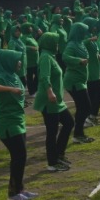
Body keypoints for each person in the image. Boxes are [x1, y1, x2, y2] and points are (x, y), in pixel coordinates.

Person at [0, 49, 36, 200]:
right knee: (19, 155)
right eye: (17, 60)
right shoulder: (0, 76)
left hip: (18, 120)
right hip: (7, 122)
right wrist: (10, 89)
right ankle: (13, 193)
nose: (20, 62)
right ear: (9, 61)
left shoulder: (14, 75)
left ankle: (20, 189)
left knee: (21, 156)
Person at [34, 30, 73, 172]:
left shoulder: (50, 55)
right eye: (56, 43)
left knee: (69, 122)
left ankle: (59, 153)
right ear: (49, 43)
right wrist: (50, 92)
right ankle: (52, 162)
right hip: (49, 101)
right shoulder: (45, 57)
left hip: (57, 101)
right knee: (52, 131)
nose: (58, 45)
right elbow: (44, 76)